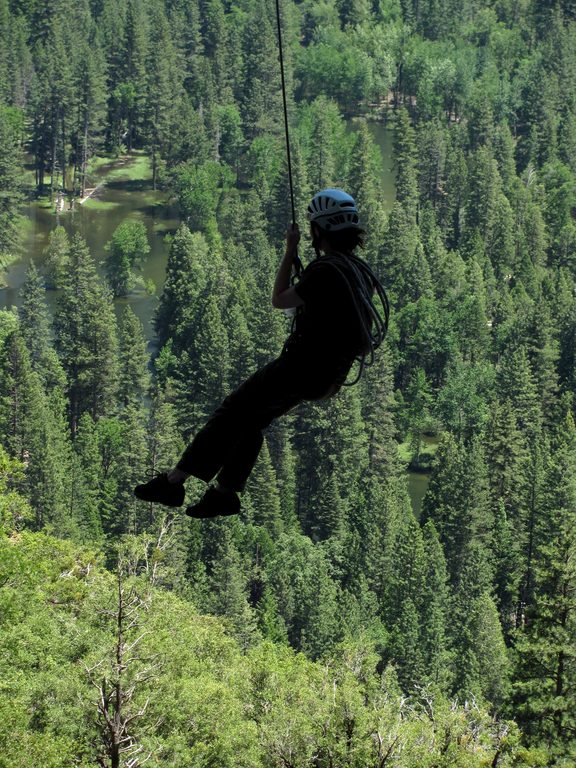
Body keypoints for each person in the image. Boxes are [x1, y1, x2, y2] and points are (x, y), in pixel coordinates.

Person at [134, 188, 388, 518]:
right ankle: (223, 493)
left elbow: (280, 299)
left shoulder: (326, 270)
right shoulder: (356, 272)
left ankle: (174, 482)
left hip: (300, 367)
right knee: (250, 421)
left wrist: (289, 251)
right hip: (327, 376)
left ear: (318, 231)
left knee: (232, 410)